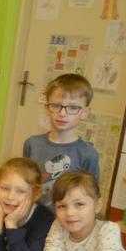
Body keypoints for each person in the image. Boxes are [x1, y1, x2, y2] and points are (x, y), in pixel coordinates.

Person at [22, 73, 99, 208]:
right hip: (34, 215)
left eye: (73, 107)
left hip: (68, 218)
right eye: (56, 105)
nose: (62, 113)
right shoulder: (32, 144)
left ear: (85, 113)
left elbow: (91, 196)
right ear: (47, 108)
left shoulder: (88, 154)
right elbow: (24, 183)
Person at [0, 158, 54, 251]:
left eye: (20, 191)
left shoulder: (44, 219)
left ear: (35, 194)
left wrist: (11, 224)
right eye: (5, 188)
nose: (10, 197)